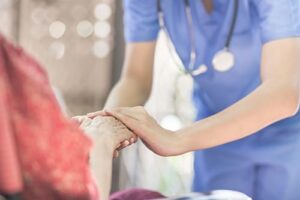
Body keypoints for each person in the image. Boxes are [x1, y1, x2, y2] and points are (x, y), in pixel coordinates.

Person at [87, 1, 300, 200]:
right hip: (215, 134)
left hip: (290, 134)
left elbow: (283, 92)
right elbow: (135, 78)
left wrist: (175, 139)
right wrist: (107, 122)